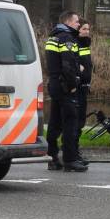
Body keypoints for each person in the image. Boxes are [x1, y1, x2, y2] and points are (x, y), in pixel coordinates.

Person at [45, 11, 87, 172]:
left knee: (54, 122)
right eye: (77, 22)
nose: (78, 24)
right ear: (69, 22)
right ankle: (69, 159)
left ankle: (53, 157)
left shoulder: (52, 37)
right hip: (65, 86)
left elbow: (54, 63)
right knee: (70, 122)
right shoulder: (67, 38)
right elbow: (68, 64)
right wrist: (73, 83)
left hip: (55, 84)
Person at [76, 19, 93, 164]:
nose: (87, 32)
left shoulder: (85, 44)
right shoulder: (75, 43)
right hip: (77, 88)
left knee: (80, 121)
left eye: (88, 29)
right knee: (75, 122)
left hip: (84, 87)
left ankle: (75, 150)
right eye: (84, 29)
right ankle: (72, 152)